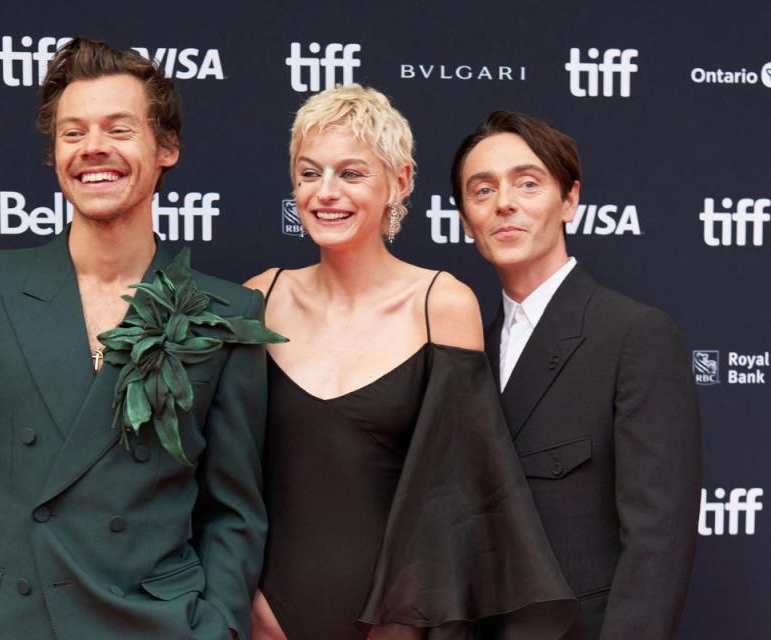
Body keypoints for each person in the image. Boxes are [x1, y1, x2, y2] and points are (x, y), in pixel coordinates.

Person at [0, 37, 271, 640]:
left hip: (154, 623)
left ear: (167, 149)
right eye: (73, 133)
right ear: (53, 154)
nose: (93, 148)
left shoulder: (225, 313)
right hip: (5, 624)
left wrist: (217, 628)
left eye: (119, 129)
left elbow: (234, 511)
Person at [245, 85, 577, 640]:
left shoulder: (441, 305)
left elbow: (457, 495)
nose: (326, 193)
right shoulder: (259, 299)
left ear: (398, 182)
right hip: (265, 622)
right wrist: (251, 606)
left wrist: (402, 623)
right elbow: (225, 479)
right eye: (309, 173)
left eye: (351, 174)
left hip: (399, 626)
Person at [450, 110, 702, 639]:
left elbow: (658, 540)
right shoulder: (468, 350)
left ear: (569, 201)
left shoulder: (634, 334)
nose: (505, 204)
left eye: (527, 183)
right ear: (466, 219)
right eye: (482, 190)